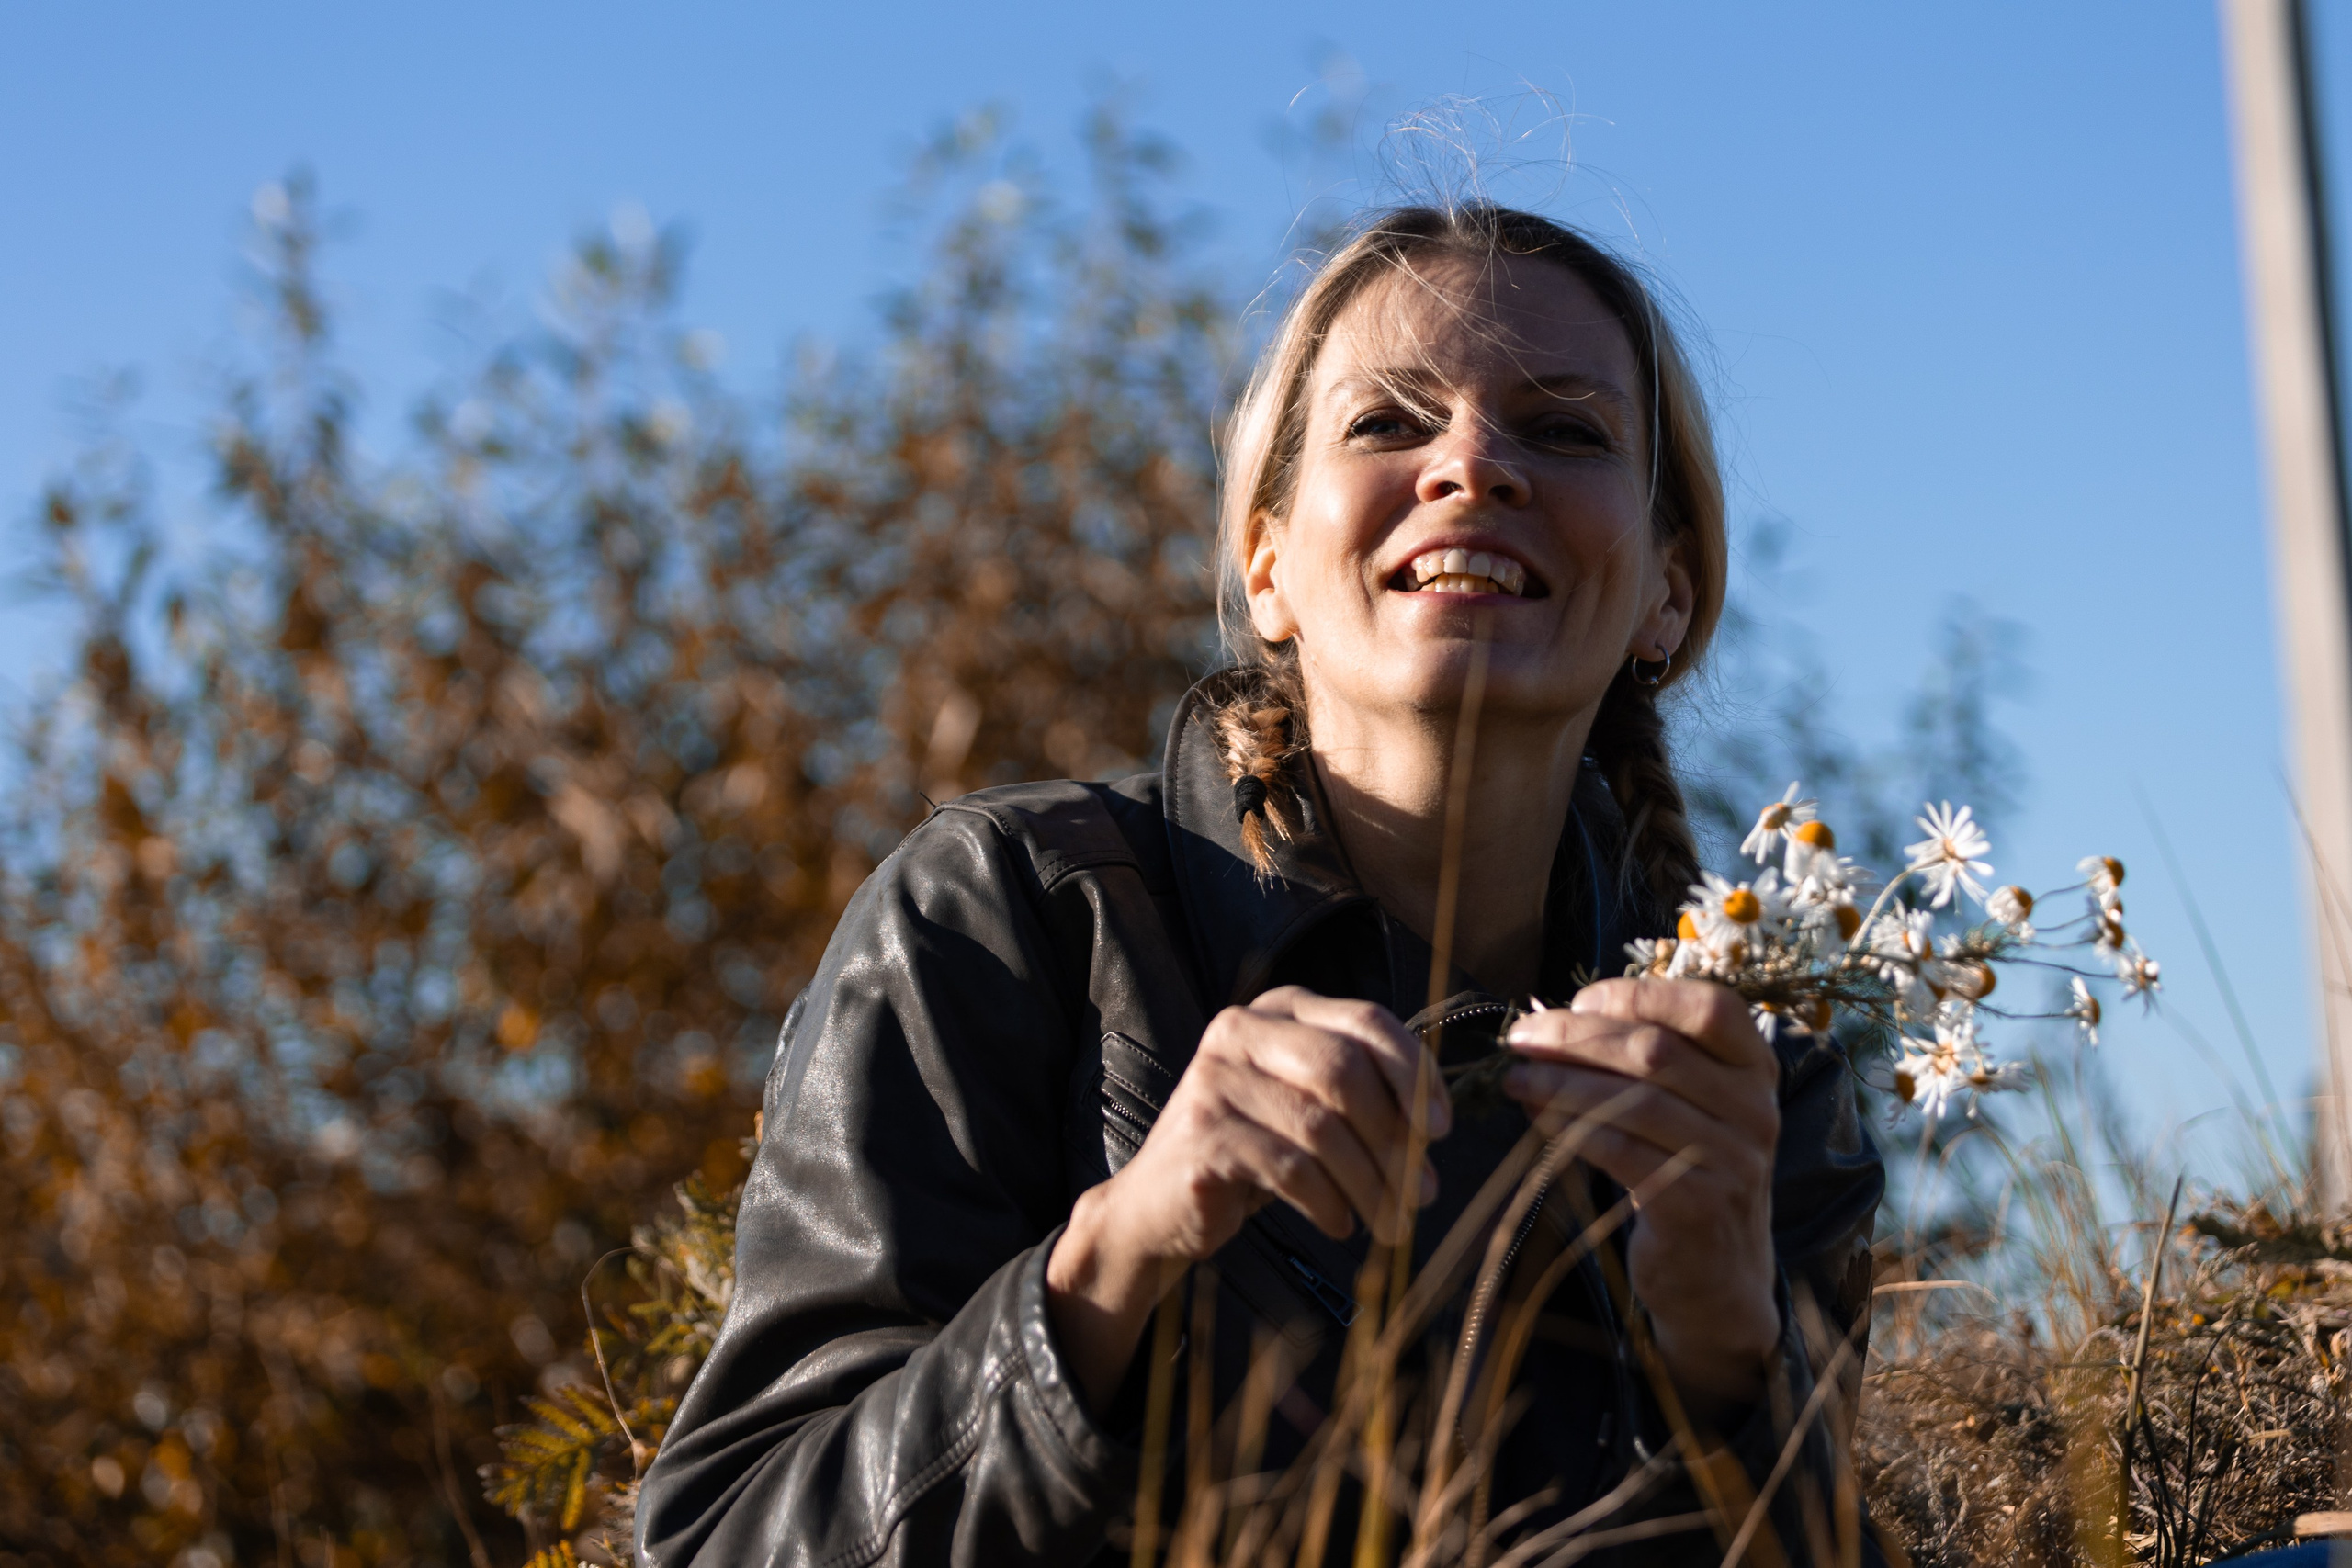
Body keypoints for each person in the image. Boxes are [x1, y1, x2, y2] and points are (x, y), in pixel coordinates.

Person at [635, 203, 1886, 1567]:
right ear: (1269, 563)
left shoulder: (1750, 1086)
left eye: (1566, 431)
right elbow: (729, 1539)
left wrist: (1727, 1359)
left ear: (1667, 595)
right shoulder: (1010, 919)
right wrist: (1112, 1262)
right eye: (1388, 422)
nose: (1473, 465)